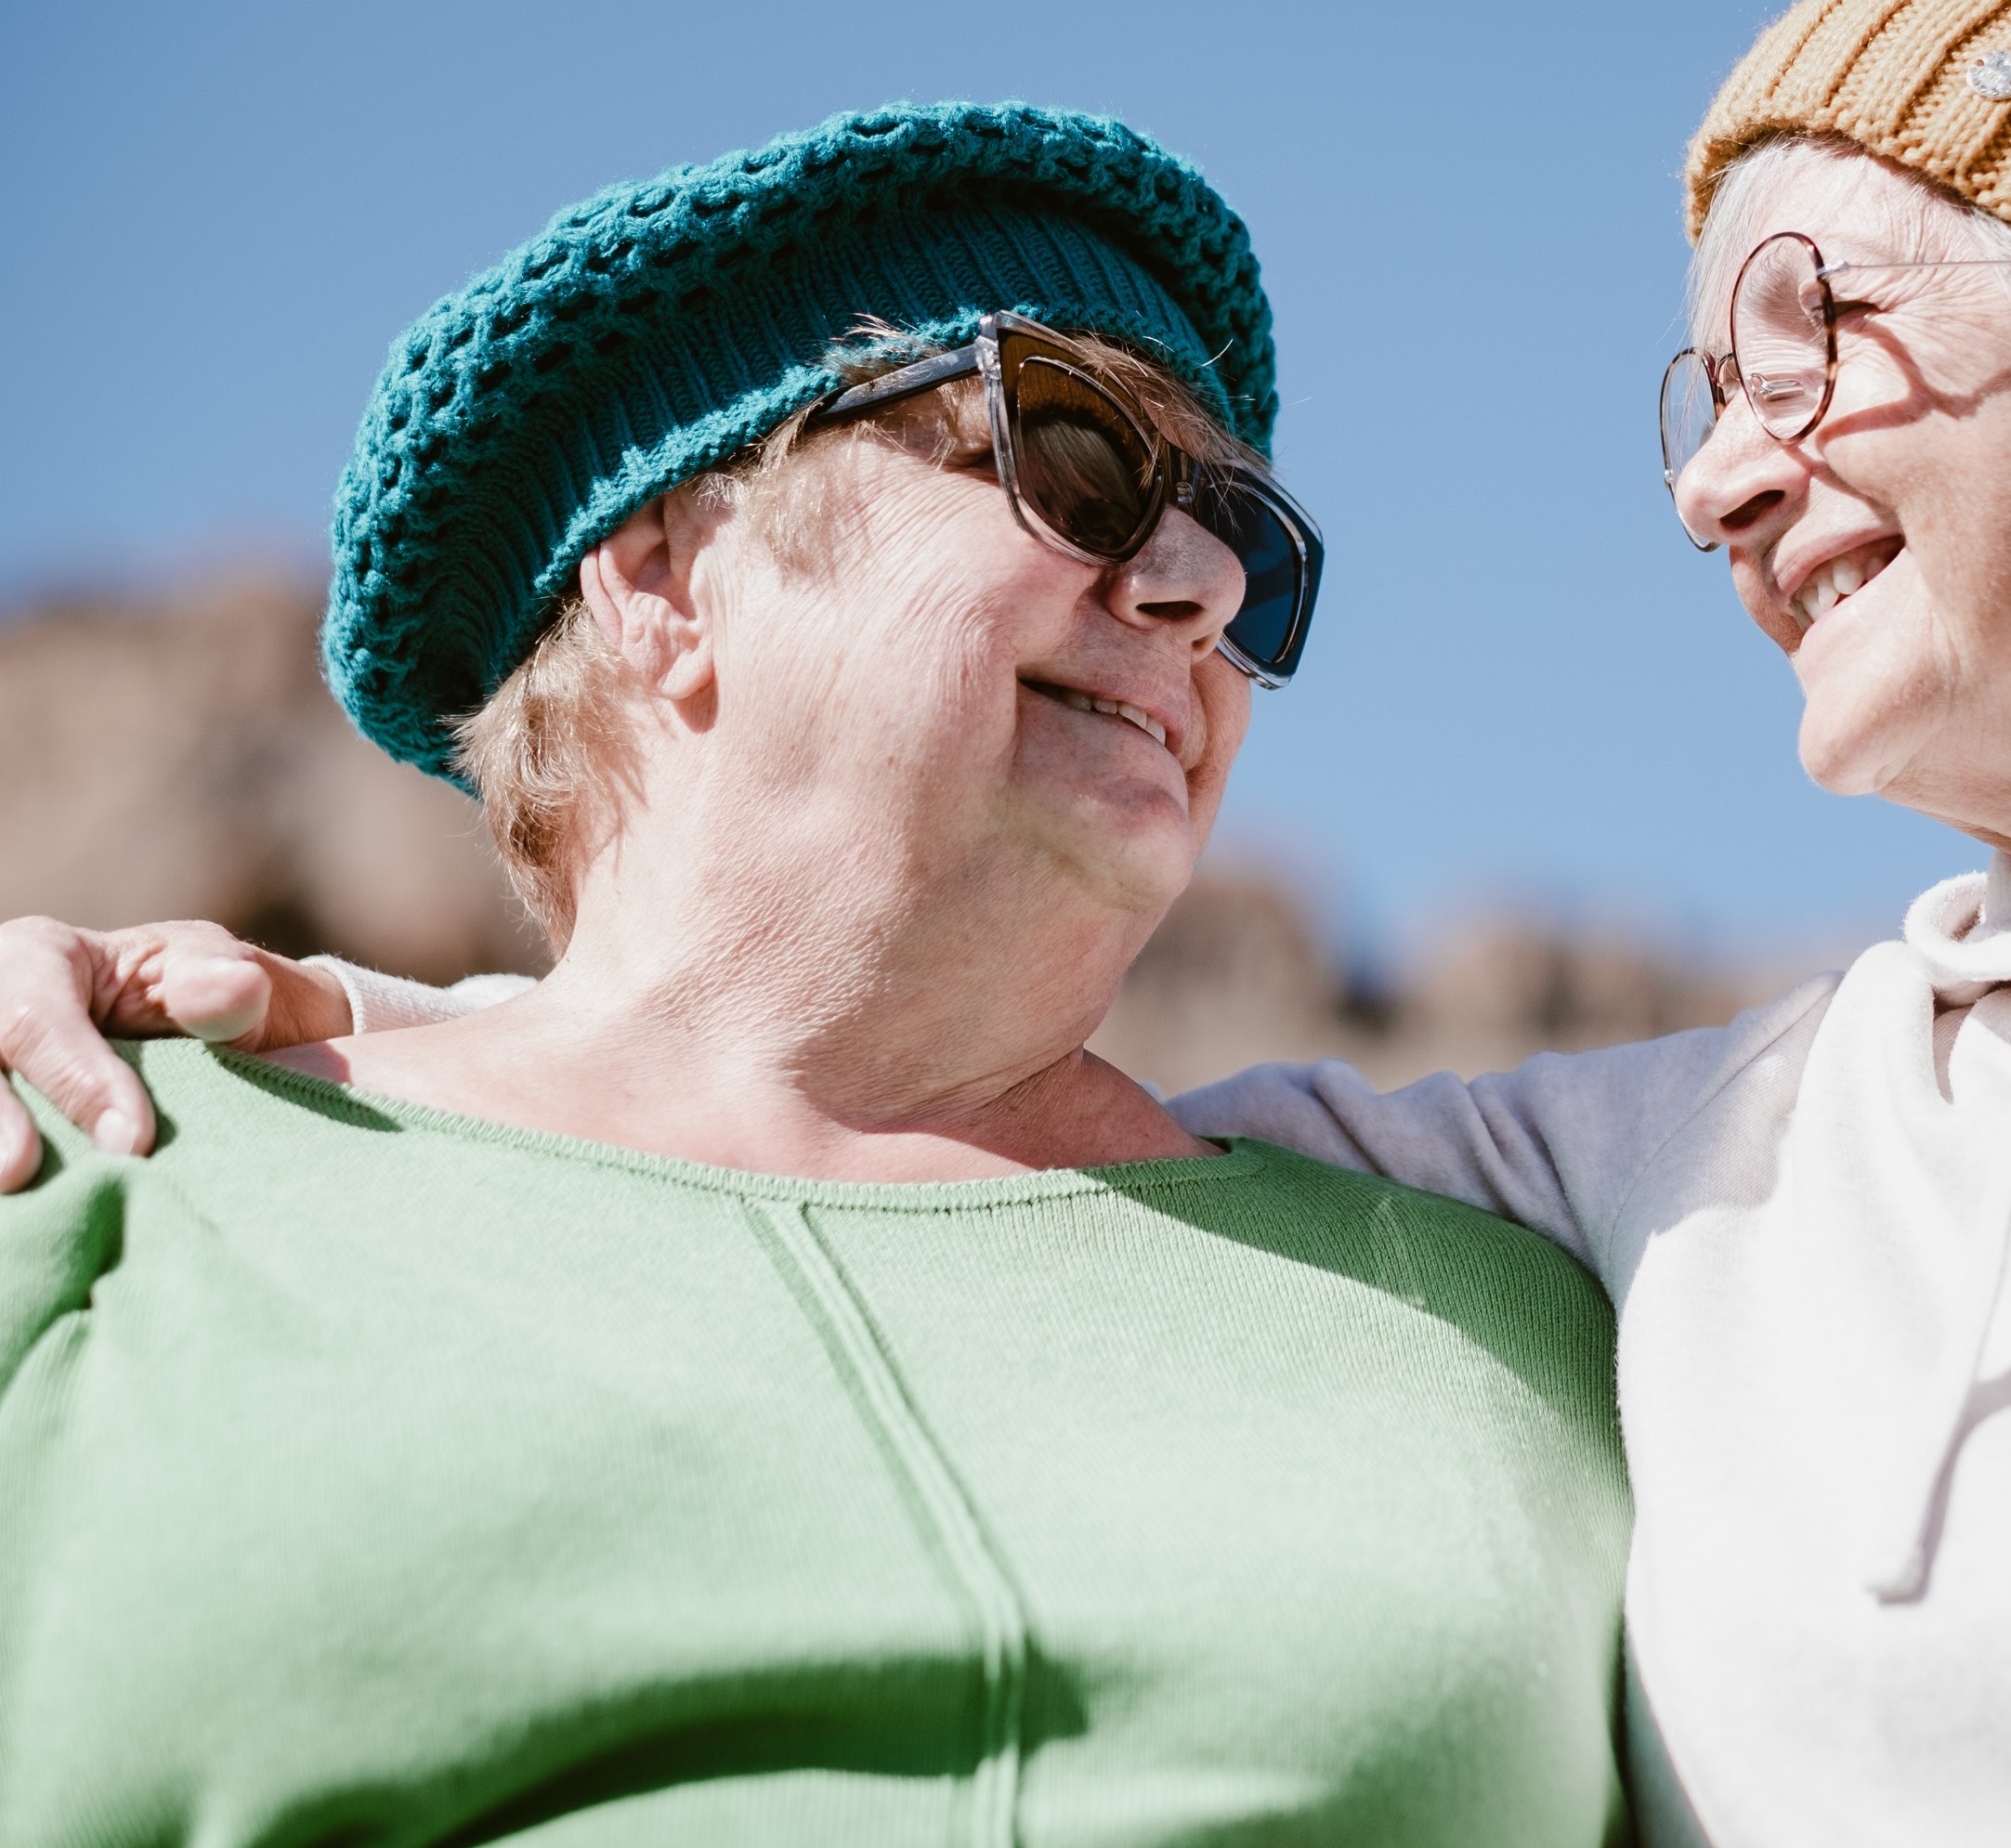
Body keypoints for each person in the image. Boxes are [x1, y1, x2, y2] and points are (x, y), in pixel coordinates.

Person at [10, 0, 2011, 1844]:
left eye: (1821, 327)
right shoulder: (1697, 1177)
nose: (1722, 480)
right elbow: (811, 1131)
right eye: (1708, 385)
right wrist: (229, 1014)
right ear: (661, 573)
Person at [0, 102, 1637, 1846]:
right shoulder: (98, 1177)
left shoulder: (1539, 1318)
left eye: (1248, 550)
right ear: (663, 581)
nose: (1195, 587)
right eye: (1073, 456)